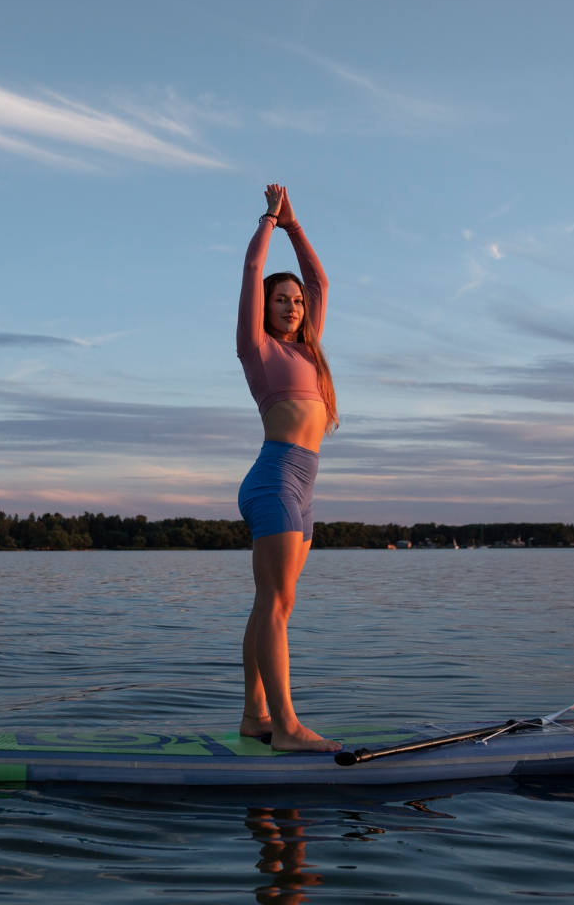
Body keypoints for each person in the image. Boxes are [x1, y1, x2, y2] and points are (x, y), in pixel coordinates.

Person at [236, 184, 342, 753]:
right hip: (274, 478)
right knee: (274, 604)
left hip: (303, 485)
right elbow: (254, 268)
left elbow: (321, 282)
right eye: (281, 299)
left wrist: (299, 228)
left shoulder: (310, 350)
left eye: (296, 302)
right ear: (265, 307)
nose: (292, 305)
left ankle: (255, 716)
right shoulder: (257, 348)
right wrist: (271, 221)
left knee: (274, 604)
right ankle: (288, 726)